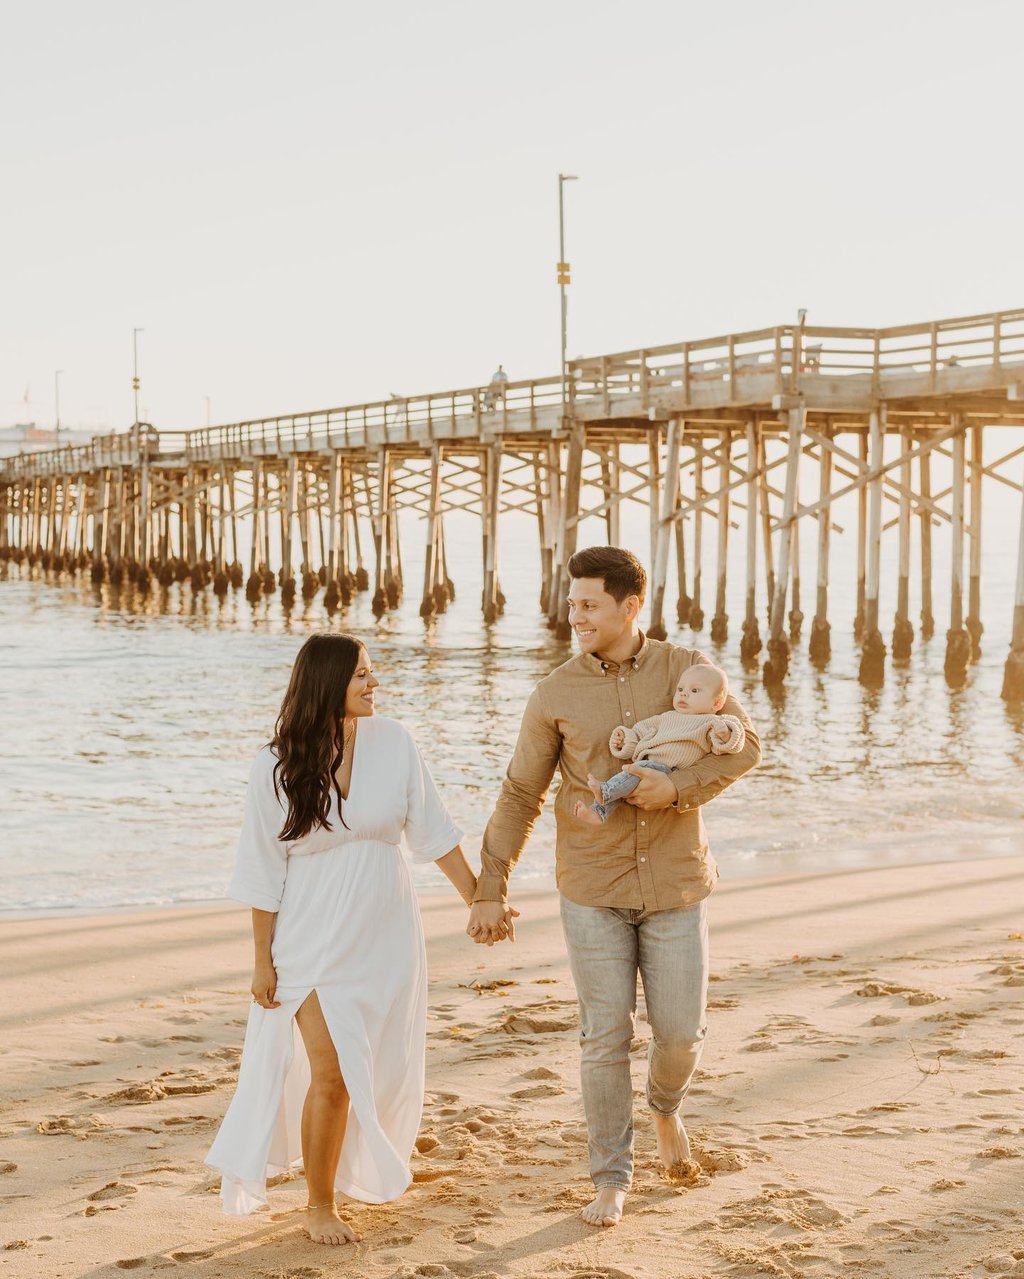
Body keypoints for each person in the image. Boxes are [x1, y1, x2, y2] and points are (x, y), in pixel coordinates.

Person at [467, 546, 761, 1228]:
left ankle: (665, 1109)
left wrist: (678, 789)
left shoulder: (688, 669)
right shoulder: (554, 693)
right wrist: (490, 885)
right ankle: (611, 1177)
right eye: (571, 604)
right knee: (604, 1036)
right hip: (591, 886)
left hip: (676, 884)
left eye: (589, 605)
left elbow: (745, 744)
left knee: (680, 1034)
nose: (575, 616)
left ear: (631, 606)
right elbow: (520, 793)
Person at [206, 633, 502, 1246]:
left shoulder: (394, 742)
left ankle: (346, 1173)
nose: (374, 684)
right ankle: (319, 1205)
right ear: (327, 683)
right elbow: (261, 870)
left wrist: (478, 900)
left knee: (375, 1064)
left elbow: (434, 832)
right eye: (362, 674)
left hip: (386, 934)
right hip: (309, 938)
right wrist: (261, 962)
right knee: (333, 1069)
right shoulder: (275, 764)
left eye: (372, 672)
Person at [575, 663, 745, 826]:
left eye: (694, 691)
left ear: (716, 703)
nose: (684, 694)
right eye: (680, 689)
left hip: (670, 772)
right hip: (648, 765)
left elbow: (733, 743)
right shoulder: (666, 717)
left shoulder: (711, 722)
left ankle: (605, 791)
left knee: (635, 771)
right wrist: (624, 739)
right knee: (624, 786)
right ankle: (599, 813)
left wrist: (724, 734)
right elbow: (640, 732)